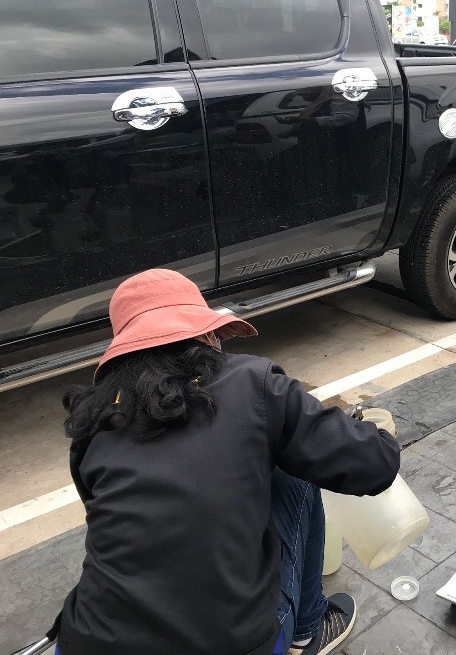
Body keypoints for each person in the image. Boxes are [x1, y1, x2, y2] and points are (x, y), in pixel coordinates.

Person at [54, 269, 400, 654]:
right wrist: (378, 433)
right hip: (238, 642)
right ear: (205, 335)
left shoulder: (93, 419)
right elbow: (376, 465)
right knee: (295, 468)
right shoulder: (252, 381)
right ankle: (306, 631)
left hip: (87, 640)